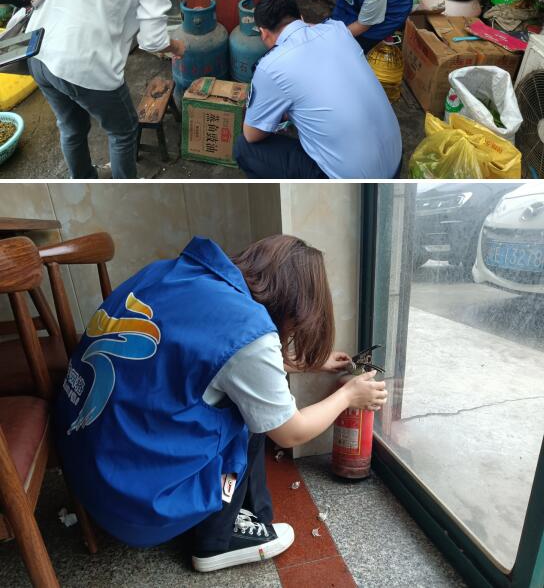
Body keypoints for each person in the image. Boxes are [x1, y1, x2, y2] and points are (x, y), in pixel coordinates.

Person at [53, 235, 387, 573]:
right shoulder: (247, 327)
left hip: (82, 461)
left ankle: (246, 512)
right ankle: (217, 540)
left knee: (247, 397)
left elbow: (203, 355)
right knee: (250, 415)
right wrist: (348, 396)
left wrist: (301, 363)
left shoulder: (171, 274)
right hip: (132, 503)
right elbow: (290, 431)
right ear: (296, 305)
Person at [27, 0, 199, 179]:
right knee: (123, 131)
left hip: (38, 48)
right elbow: (153, 41)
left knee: (71, 127)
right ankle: (124, 194)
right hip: (83, 66)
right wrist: (175, 45)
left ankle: (83, 181)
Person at [234, 0, 402, 179]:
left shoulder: (270, 66)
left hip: (351, 184)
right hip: (395, 163)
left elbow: (252, 134)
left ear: (263, 32)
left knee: (244, 148)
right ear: (301, 18)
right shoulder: (338, 30)